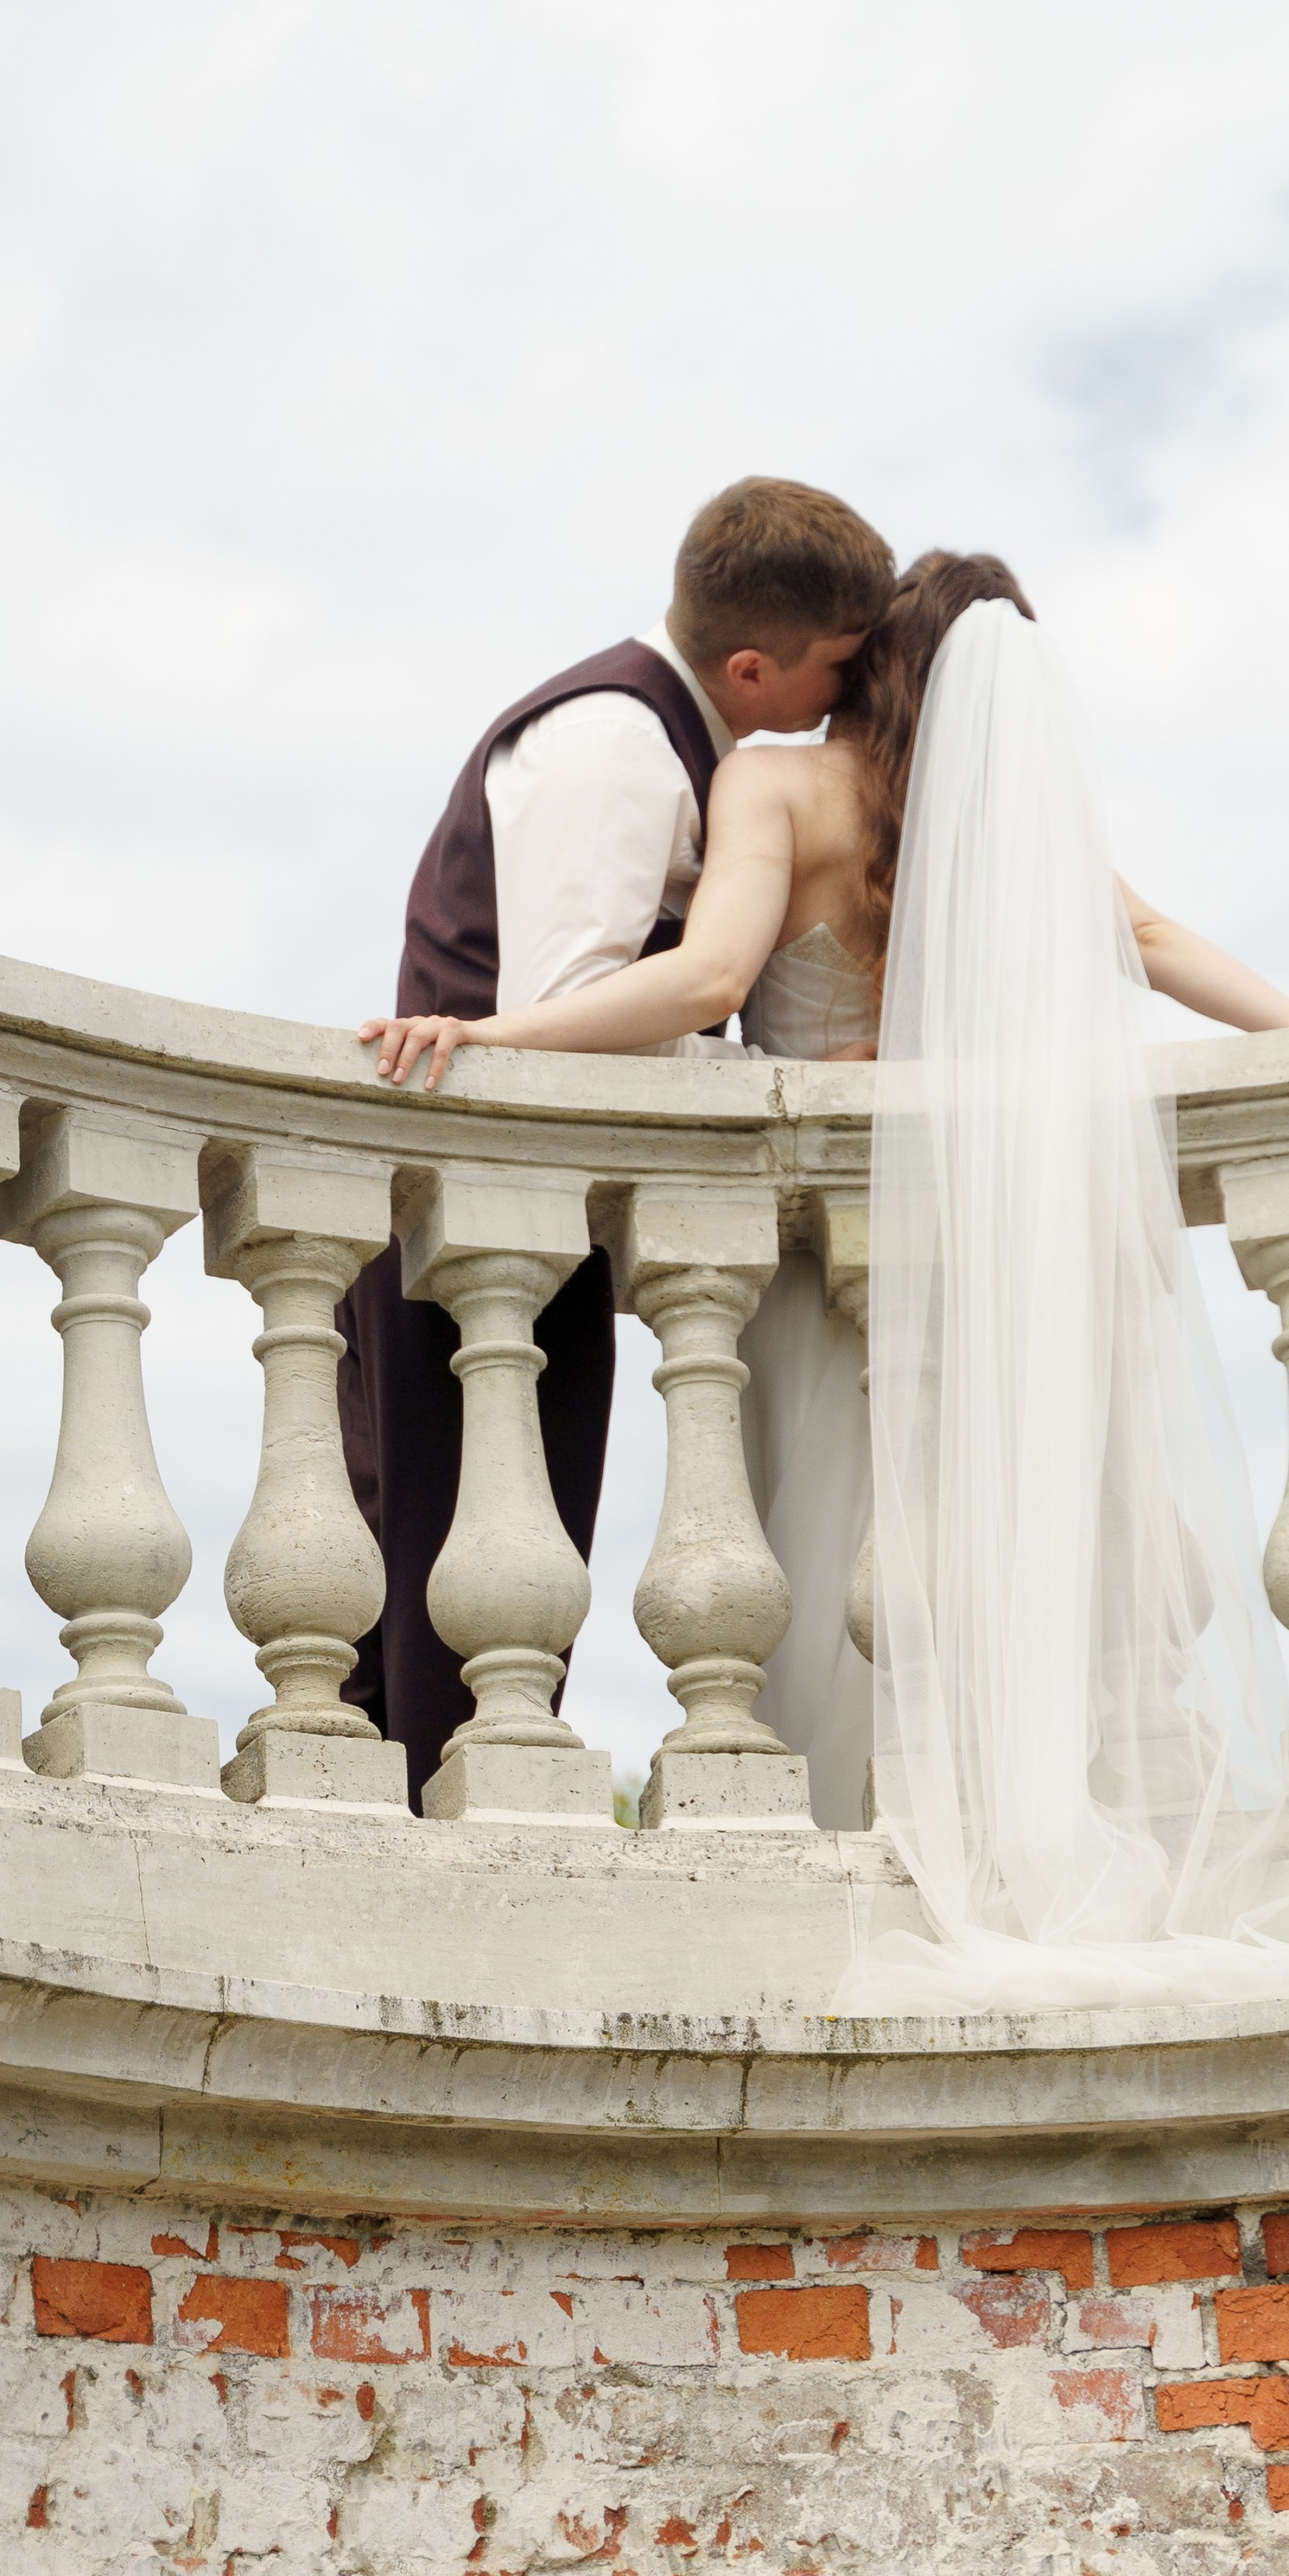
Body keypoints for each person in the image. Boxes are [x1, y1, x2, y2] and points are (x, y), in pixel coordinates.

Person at [369, 549, 1289, 2011]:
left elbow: (710, 984)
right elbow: (1153, 944)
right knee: (989, 1540)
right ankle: (1001, 1827)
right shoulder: (1001, 830)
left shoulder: (778, 783)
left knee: (809, 1535)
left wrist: (492, 1033)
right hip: (975, 1251)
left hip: (810, 1262)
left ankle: (834, 1871)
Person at [344, 476, 894, 1809]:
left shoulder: (679, 743)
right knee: (439, 1644)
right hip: (472, 1256)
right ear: (753, 666)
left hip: (530, 1247)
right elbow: (558, 1017)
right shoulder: (617, 748)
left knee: (489, 1620)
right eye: (836, 667)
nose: (849, 694)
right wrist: (777, 1071)